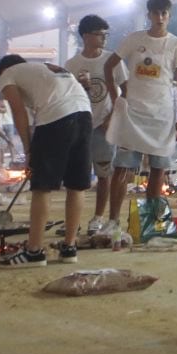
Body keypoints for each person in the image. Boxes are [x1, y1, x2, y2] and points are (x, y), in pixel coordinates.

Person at [0, 54, 90, 263]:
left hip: (58, 116)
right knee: (76, 185)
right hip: (84, 114)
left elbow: (19, 113)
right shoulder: (43, 70)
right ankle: (69, 248)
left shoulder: (8, 74)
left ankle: (34, 251)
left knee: (41, 187)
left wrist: (29, 151)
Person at [104, 0, 177, 221]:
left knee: (158, 169)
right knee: (122, 167)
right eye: (155, 13)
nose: (160, 18)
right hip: (132, 113)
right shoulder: (134, 39)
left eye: (164, 13)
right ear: (149, 15)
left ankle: (152, 221)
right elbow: (109, 66)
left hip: (162, 116)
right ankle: (113, 220)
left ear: (169, 15)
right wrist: (116, 98)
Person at [65, 15, 118, 235]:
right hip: (80, 126)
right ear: (86, 36)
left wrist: (112, 118)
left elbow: (124, 91)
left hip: (104, 126)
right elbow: (67, 96)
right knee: (77, 176)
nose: (104, 38)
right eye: (99, 34)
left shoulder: (112, 60)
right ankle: (73, 220)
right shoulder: (72, 65)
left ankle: (98, 217)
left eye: (106, 34)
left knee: (104, 173)